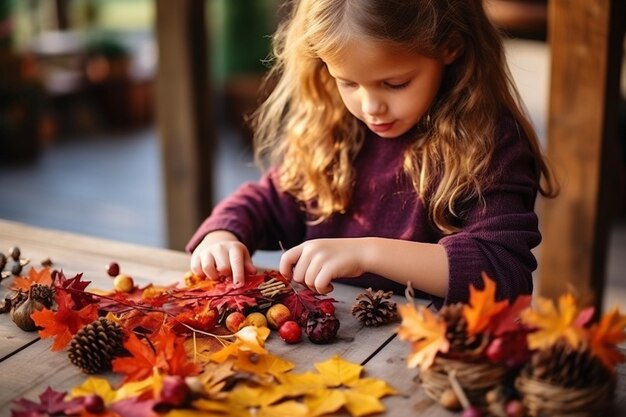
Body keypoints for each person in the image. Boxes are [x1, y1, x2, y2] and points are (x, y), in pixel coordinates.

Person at [187, 0, 558, 305]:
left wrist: (368, 254)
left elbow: (502, 269)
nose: (370, 107)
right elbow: (268, 202)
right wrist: (222, 236)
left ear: (450, 45)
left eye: (395, 83)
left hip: (438, 360)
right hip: (339, 346)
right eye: (347, 82)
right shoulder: (334, 126)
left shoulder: (489, 143)